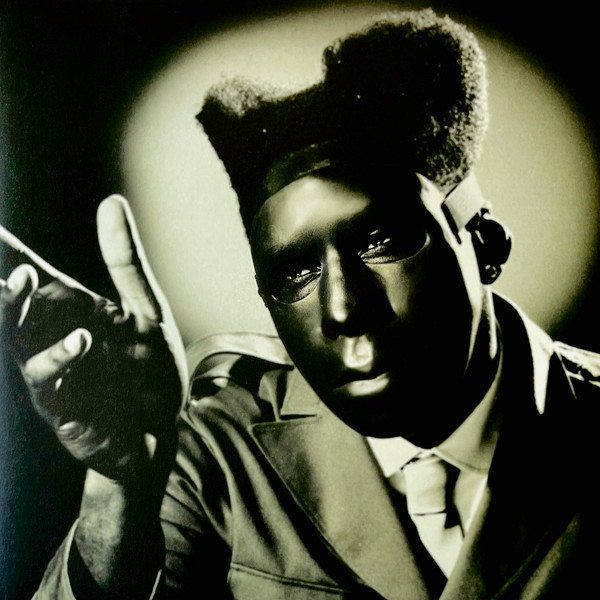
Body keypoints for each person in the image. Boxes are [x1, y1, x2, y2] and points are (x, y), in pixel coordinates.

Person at [0, 8, 597, 599]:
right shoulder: (217, 452)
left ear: (485, 245)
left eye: (381, 241)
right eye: (295, 273)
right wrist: (122, 488)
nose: (342, 310)